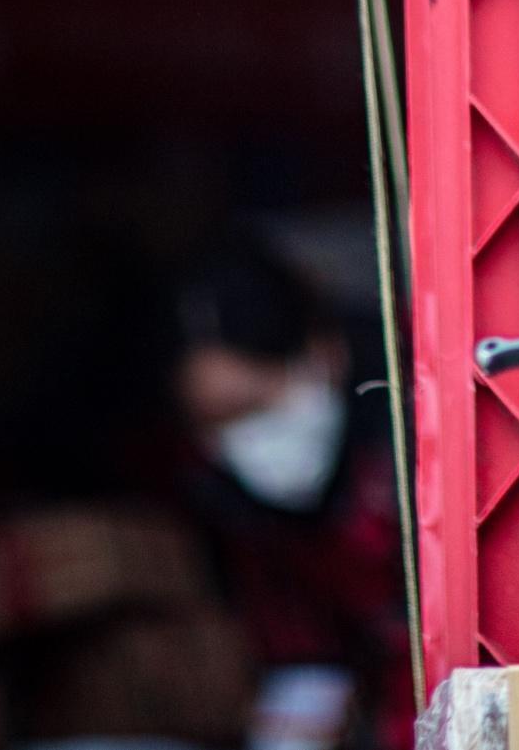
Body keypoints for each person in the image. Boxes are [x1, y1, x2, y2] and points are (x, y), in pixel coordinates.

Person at [168, 236, 411, 749]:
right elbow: (304, 659)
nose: (242, 441)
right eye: (213, 424)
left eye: (251, 407)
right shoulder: (235, 505)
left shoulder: (417, 429)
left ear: (323, 352)